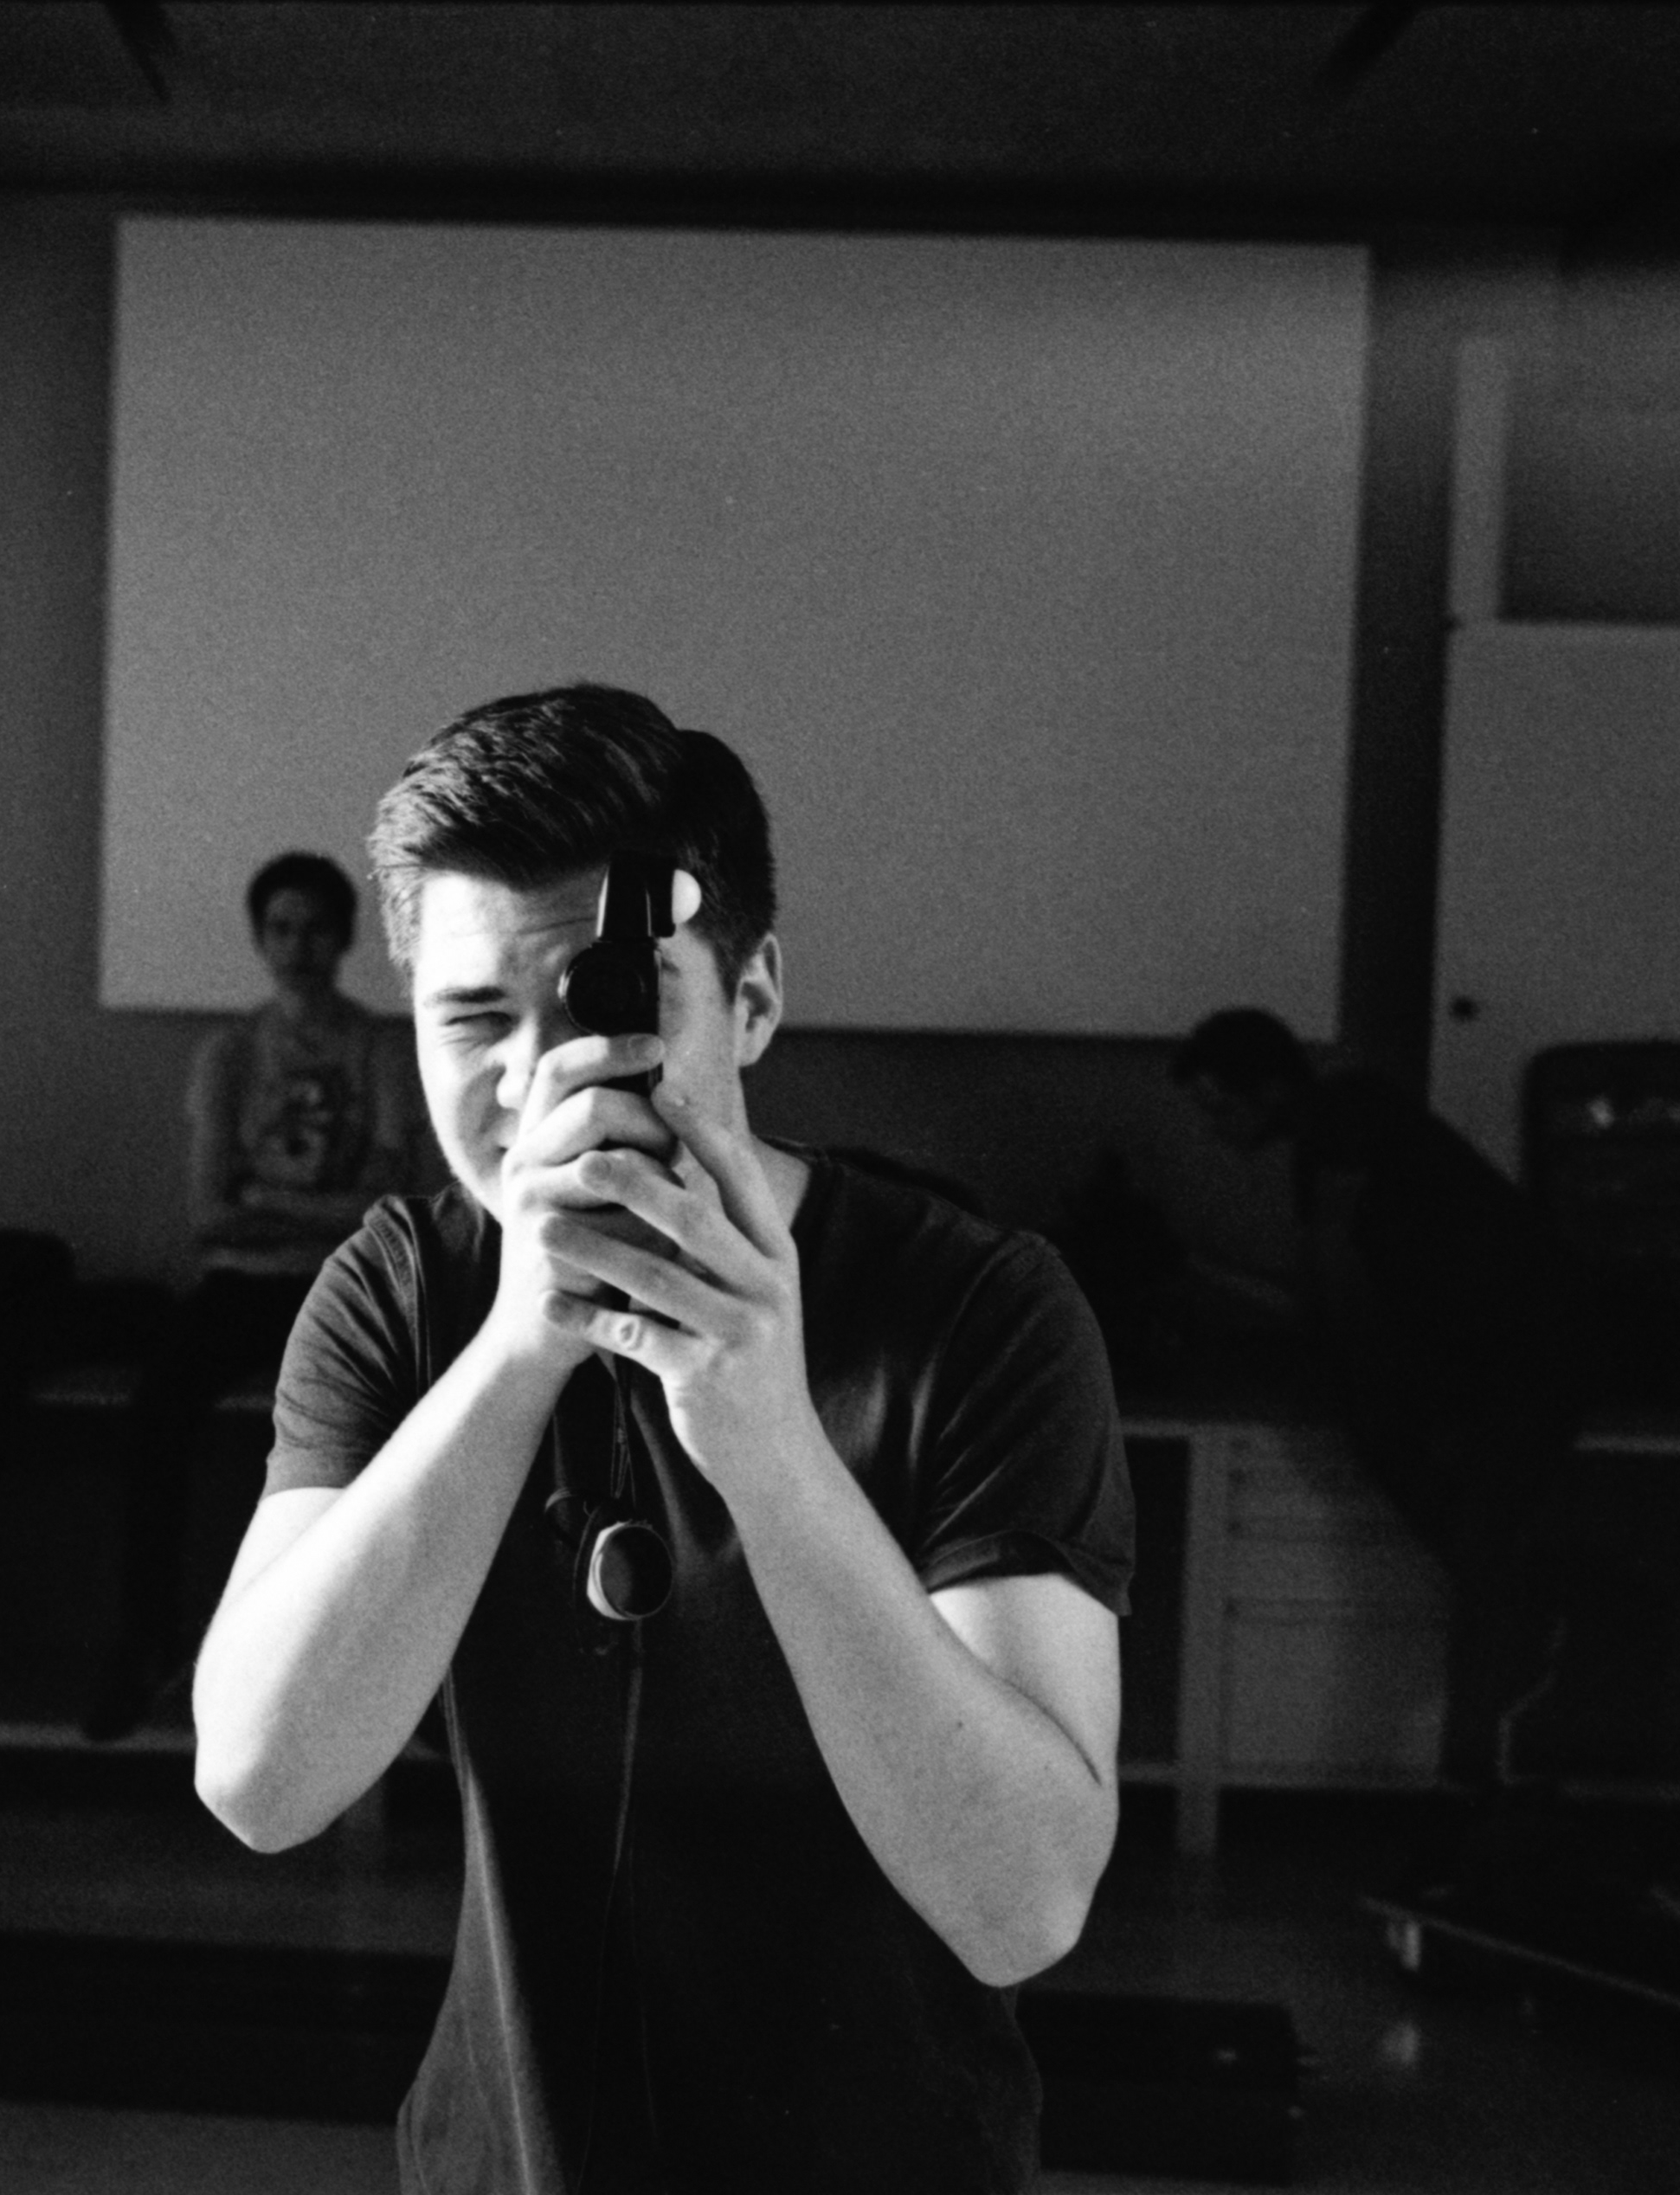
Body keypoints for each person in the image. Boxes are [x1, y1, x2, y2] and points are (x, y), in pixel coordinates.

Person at [193, 686, 1131, 2192]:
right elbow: (261, 1780)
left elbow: (1022, 1906)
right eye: (472, 1020)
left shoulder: (979, 1309)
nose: (537, 1081)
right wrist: (521, 1346)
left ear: (752, 1000)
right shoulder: (406, 1290)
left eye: (608, 1008)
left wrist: (765, 1439)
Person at [1170, 1007, 1587, 1801]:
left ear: (1269, 1088)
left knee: (1481, 1561)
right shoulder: (1345, 1128)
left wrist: (1342, 1370)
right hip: (1508, 1357)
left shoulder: (1343, 1121)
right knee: (1481, 1563)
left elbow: (1335, 1291)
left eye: (1220, 1106)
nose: (1214, 1129)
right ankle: (1477, 1763)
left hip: (1519, 1361)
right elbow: (1335, 1292)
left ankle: (1478, 1765)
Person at [82, 852, 426, 1740]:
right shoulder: (230, 1055)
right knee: (154, 1412)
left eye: (316, 929)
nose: (299, 947)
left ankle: (394, 1676)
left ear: (346, 938)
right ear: (260, 940)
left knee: (401, 1436)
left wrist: (265, 1200)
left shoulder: (383, 1050)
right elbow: (209, 1216)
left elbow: (387, 1211)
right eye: (282, 929)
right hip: (240, 1289)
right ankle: (148, 1642)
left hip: (347, 1291)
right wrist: (313, 1212)